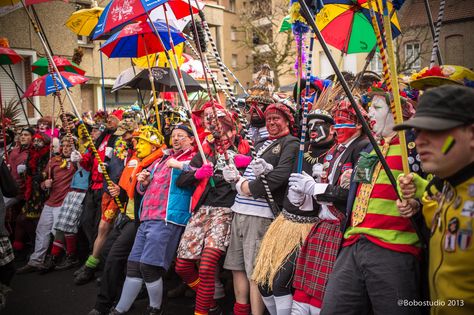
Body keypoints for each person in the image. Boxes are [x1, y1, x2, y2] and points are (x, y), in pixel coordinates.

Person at [321, 87, 423, 315]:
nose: (369, 114)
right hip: (352, 243)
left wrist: (417, 203)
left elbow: (433, 188)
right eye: (369, 109)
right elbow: (358, 190)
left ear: (397, 112)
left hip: (393, 248)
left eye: (377, 108)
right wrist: (349, 178)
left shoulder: (415, 145)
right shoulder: (368, 148)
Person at [394, 85, 474, 315]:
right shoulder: (438, 188)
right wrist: (416, 208)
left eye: (435, 130)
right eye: (417, 131)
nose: (419, 141)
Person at [287, 101, 369, 314]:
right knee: (304, 290)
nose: (336, 129)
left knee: (322, 293)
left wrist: (317, 188)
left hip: (339, 228)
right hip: (322, 224)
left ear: (358, 125)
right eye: (335, 124)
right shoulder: (335, 150)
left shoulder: (364, 147)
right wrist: (301, 192)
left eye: (342, 124)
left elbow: (359, 193)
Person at [109, 124, 196, 315]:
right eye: (173, 136)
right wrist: (144, 181)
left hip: (167, 219)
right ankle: (119, 310)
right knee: (133, 266)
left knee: (149, 267)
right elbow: (143, 189)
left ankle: (155, 308)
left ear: (191, 139)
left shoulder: (193, 157)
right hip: (147, 217)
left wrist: (182, 165)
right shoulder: (161, 160)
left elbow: (203, 170)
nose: (176, 139)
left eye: (181, 136)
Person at [221, 103, 299, 315]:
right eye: (269, 119)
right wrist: (234, 180)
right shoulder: (263, 143)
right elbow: (247, 176)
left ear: (287, 121)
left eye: (277, 118)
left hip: (261, 213)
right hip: (240, 210)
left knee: (255, 270)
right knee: (237, 267)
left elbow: (281, 176)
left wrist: (247, 187)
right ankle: (241, 310)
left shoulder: (290, 142)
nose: (272, 122)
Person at [88, 126, 165, 315]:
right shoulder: (135, 162)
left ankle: (103, 304)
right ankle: (126, 292)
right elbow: (126, 192)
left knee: (115, 258)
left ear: (153, 145)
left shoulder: (158, 165)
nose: (136, 145)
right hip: (126, 216)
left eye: (141, 142)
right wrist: (118, 191)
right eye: (136, 141)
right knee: (107, 253)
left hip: (139, 221)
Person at [174, 110, 245, 315]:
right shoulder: (206, 151)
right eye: (212, 126)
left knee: (206, 267)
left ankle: (203, 310)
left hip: (227, 212)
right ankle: (210, 302)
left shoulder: (244, 145)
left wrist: (245, 163)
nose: (217, 131)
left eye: (220, 126)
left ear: (231, 127)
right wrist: (198, 172)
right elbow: (181, 181)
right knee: (182, 266)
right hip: (203, 210)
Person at [74, 118, 137, 285]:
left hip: (124, 195)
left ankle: (108, 270)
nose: (122, 138)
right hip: (108, 190)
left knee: (110, 230)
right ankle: (93, 265)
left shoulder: (138, 149)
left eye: (126, 135)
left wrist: (121, 189)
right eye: (121, 135)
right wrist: (106, 167)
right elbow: (112, 162)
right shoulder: (118, 144)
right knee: (102, 228)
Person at [16, 134, 77, 273]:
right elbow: (42, 178)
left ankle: (67, 257)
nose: (66, 148)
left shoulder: (76, 161)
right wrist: (45, 183)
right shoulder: (54, 160)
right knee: (42, 230)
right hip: (51, 201)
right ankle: (36, 260)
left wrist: (77, 161)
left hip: (65, 202)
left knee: (58, 232)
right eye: (64, 145)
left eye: (70, 146)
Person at [12, 132, 51, 252]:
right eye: (34, 141)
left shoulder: (48, 155)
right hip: (32, 192)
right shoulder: (31, 154)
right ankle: (29, 246)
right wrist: (25, 173)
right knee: (23, 219)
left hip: (42, 193)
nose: (36, 143)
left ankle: (38, 248)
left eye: (39, 141)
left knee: (35, 222)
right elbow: (30, 173)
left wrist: (41, 177)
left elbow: (47, 172)